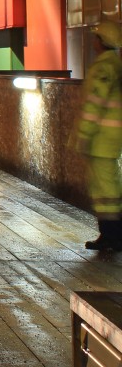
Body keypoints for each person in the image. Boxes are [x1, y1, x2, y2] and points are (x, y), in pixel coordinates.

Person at [79, 20, 122, 250]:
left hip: (101, 139)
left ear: (102, 41)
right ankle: (112, 235)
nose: (93, 41)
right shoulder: (114, 65)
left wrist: (84, 134)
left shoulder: (103, 68)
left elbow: (94, 105)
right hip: (111, 137)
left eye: (96, 37)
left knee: (105, 190)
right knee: (110, 186)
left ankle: (111, 237)